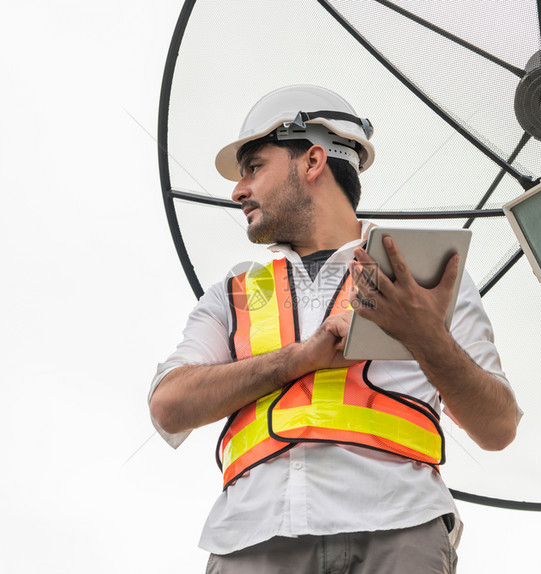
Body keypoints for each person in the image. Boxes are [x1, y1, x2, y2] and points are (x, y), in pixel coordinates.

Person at [148, 84, 521, 574]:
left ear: (313, 161)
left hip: (399, 526)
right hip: (253, 536)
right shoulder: (235, 292)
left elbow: (498, 427)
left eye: (254, 167)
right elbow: (168, 408)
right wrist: (302, 357)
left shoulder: (423, 277)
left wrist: (425, 336)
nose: (238, 190)